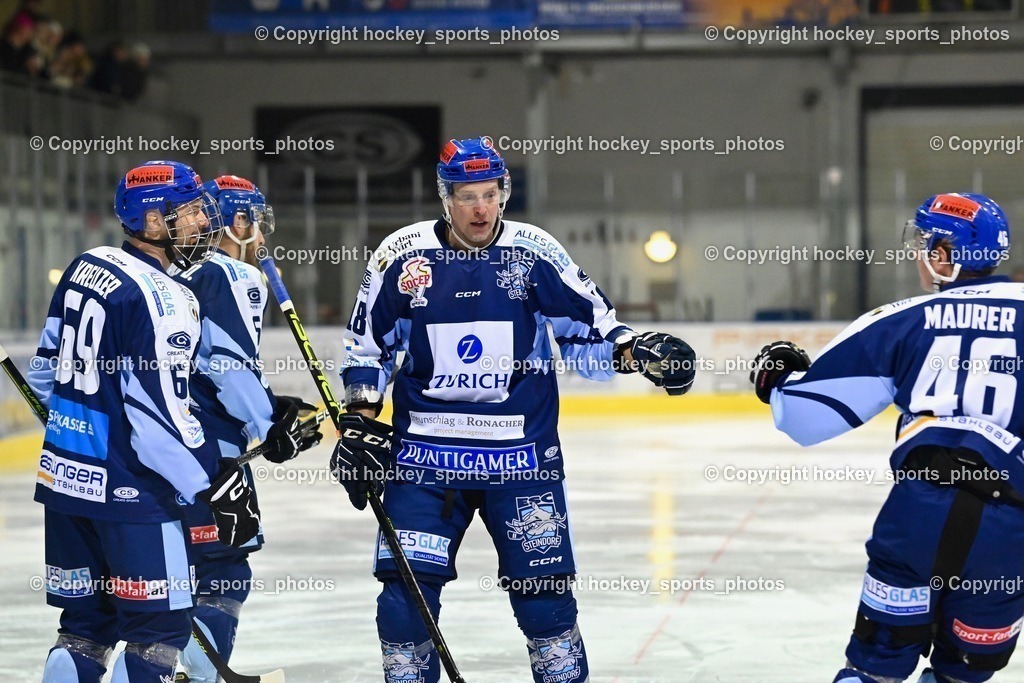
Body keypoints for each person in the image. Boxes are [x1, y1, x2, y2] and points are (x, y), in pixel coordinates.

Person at [333, 136, 697, 683]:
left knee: (546, 607)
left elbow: (588, 330)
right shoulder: (401, 255)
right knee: (404, 608)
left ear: (503, 194)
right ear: (445, 198)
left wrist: (632, 351)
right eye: (466, 196)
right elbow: (368, 348)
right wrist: (359, 424)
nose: (480, 209)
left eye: (489, 194)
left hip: (521, 461)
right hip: (425, 462)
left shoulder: (535, 252)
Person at [751, 192, 1024, 683]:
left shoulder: (899, 321)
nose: (919, 254)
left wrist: (776, 381)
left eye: (926, 243)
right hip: (1012, 531)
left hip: (916, 516)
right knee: (964, 676)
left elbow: (803, 419)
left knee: (874, 668)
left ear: (945, 256)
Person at [25, 160, 261, 683]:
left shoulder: (86, 267)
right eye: (193, 211)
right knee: (158, 632)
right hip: (134, 497)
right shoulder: (168, 300)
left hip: (66, 486)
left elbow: (44, 377)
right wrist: (210, 476)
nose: (204, 222)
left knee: (85, 628)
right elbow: (160, 428)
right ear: (155, 221)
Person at [172, 175, 322, 683]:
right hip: (207, 454)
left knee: (161, 575)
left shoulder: (168, 269)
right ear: (238, 222)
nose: (262, 237)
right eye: (257, 222)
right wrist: (269, 425)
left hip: (151, 449)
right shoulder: (233, 276)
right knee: (224, 567)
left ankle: (156, 670)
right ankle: (202, 674)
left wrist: (268, 405)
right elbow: (229, 365)